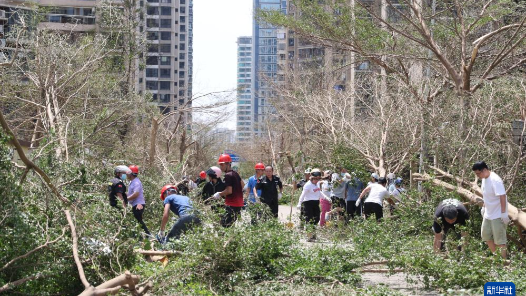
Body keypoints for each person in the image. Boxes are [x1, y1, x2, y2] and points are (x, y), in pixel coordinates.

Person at [472, 161, 509, 258]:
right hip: (488, 214)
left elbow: (502, 196)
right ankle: (496, 258)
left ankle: (504, 263)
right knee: (486, 236)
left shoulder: (495, 180)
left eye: (478, 173)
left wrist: (504, 213)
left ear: (484, 170)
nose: (478, 176)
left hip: (497, 215)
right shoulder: (484, 179)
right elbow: (487, 195)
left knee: (500, 241)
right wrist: (484, 207)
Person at [212, 154, 245, 227]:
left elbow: (229, 191)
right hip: (238, 205)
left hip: (231, 205)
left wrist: (219, 194)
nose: (220, 167)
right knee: (230, 226)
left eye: (222, 165)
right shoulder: (235, 173)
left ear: (228, 164)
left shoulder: (228, 175)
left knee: (224, 226)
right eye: (220, 165)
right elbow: (243, 185)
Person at [296, 168, 327, 241]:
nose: (317, 180)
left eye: (318, 179)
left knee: (317, 219)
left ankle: (313, 234)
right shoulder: (307, 185)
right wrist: (299, 203)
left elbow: (319, 192)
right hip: (307, 203)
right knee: (309, 219)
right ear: (311, 178)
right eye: (315, 179)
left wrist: (325, 197)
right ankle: (309, 236)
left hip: (316, 203)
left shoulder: (317, 184)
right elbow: (302, 195)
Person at [126, 165, 151, 235]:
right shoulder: (132, 182)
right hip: (135, 204)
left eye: (128, 173)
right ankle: (144, 235)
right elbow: (131, 193)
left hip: (138, 204)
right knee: (138, 220)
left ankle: (148, 235)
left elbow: (136, 194)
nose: (126, 175)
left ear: (131, 173)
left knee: (139, 220)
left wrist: (126, 199)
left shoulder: (136, 182)